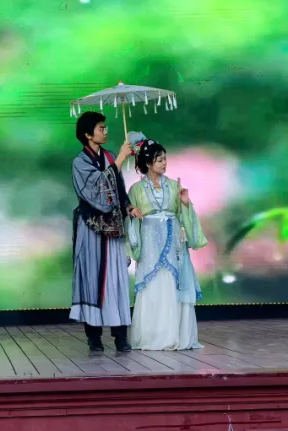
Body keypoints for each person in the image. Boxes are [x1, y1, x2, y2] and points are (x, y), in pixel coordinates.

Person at [126, 139, 207, 350]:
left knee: (173, 283)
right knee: (153, 285)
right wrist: (131, 212)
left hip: (173, 242)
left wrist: (185, 202)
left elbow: (183, 214)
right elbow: (130, 217)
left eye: (165, 159)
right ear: (148, 162)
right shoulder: (136, 189)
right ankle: (152, 336)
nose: (164, 163)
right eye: (160, 160)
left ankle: (176, 336)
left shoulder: (173, 186)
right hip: (150, 242)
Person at [70, 111, 139, 352]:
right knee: (93, 278)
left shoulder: (108, 156)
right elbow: (95, 190)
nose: (105, 131)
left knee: (117, 279)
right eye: (101, 128)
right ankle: (94, 336)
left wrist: (128, 206)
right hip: (92, 228)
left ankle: (120, 336)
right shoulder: (80, 162)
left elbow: (118, 188)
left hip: (114, 227)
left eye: (105, 127)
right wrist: (119, 160)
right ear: (88, 134)